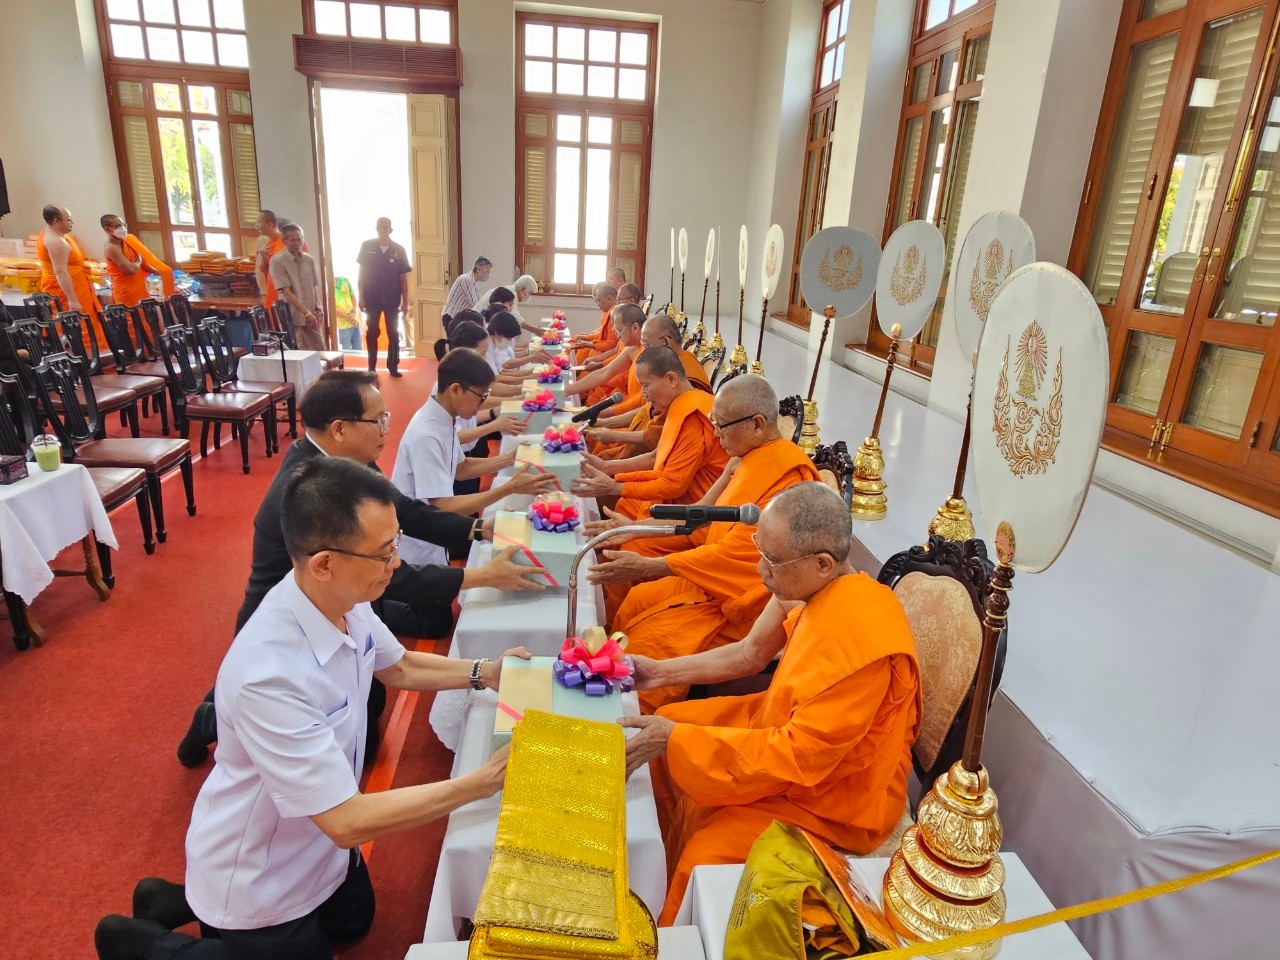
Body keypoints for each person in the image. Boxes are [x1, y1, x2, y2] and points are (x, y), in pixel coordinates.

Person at [96, 457, 527, 960]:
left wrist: (485, 672)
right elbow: (346, 820)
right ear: (324, 562)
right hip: (261, 868)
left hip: (320, 837)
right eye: (385, 552)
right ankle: (144, 944)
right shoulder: (270, 673)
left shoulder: (341, 597)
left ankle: (168, 899)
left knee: (353, 923)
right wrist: (483, 781)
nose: (396, 563)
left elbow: (400, 667)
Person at [175, 371, 545, 768]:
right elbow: (390, 575)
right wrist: (481, 575)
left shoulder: (350, 463)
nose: (387, 429)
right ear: (339, 428)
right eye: (378, 420)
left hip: (343, 604)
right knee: (332, 733)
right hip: (294, 621)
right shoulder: (304, 487)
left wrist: (479, 528)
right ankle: (212, 717)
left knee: (365, 728)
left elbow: (405, 512)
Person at [619, 482, 921, 924]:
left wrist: (684, 743)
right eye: (761, 550)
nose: (760, 571)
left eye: (772, 561)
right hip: (781, 727)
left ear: (821, 564)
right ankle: (647, 867)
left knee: (707, 849)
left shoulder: (863, 643)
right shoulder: (806, 583)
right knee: (668, 718)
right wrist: (662, 672)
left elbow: (801, 758)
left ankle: (670, 932)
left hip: (836, 794)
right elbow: (748, 654)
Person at [586, 375, 821, 702]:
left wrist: (652, 565)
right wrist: (634, 528)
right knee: (636, 604)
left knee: (649, 644)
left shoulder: (789, 483)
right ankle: (597, 678)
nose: (715, 433)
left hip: (743, 604)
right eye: (715, 422)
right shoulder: (744, 459)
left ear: (756, 424)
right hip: (709, 580)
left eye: (722, 425)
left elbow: (737, 561)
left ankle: (623, 727)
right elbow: (702, 514)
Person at [391, 347, 556, 566]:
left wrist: (509, 458)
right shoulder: (427, 435)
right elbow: (441, 507)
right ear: (456, 390)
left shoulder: (443, 418)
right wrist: (508, 488)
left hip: (435, 537)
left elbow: (462, 468)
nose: (483, 404)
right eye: (481, 396)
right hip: (418, 549)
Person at [571, 345, 726, 520]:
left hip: (698, 512)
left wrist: (614, 485)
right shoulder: (681, 404)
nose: (643, 394)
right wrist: (607, 467)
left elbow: (674, 485)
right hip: (674, 495)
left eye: (646, 386)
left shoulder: (693, 417)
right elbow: (657, 456)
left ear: (671, 379)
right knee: (624, 505)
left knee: (632, 539)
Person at [588, 314, 709, 460]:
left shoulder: (683, 377)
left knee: (602, 455)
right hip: (642, 435)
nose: (643, 351)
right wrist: (606, 423)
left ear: (666, 341)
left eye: (646, 345)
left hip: (658, 453)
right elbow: (648, 409)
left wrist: (613, 433)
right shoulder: (664, 369)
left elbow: (662, 436)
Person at [356, 217, 411, 377]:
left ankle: (393, 366)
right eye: (380, 227)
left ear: (391, 230)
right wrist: (361, 295)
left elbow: (403, 279)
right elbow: (361, 273)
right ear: (376, 228)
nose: (383, 229)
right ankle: (371, 367)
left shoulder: (399, 249)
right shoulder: (367, 246)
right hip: (371, 297)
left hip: (392, 299)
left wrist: (405, 302)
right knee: (372, 332)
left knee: (393, 333)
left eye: (386, 227)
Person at [561, 303, 643, 406]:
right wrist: (565, 391)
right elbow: (604, 373)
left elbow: (642, 403)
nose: (614, 331)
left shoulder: (649, 353)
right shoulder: (631, 349)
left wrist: (608, 416)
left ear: (635, 328)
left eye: (619, 329)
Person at [36, 204, 102, 326]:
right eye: (69, 219)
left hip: (78, 284)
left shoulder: (55, 234)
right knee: (78, 325)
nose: (72, 222)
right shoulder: (55, 241)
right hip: (67, 291)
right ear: (56, 221)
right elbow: (60, 272)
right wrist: (73, 300)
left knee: (89, 322)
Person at [270, 224, 326, 351]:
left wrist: (319, 308)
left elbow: (314, 287)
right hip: (293, 315)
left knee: (320, 350)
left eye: (300, 239)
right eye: (293, 240)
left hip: (311, 315)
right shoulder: (277, 261)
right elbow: (287, 292)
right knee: (298, 353)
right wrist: (306, 313)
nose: (297, 243)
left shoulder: (309, 260)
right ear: (284, 241)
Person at [100, 213, 175, 308]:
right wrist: (138, 260)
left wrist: (159, 271)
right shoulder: (111, 248)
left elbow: (144, 263)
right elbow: (130, 270)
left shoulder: (129, 239)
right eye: (118, 226)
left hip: (140, 287)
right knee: (134, 320)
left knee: (148, 318)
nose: (122, 228)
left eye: (123, 225)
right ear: (107, 229)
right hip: (126, 292)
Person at [569, 283, 619, 363]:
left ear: (609, 298)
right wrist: (587, 337)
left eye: (599, 300)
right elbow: (602, 333)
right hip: (602, 349)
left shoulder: (615, 315)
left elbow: (611, 345)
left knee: (585, 356)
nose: (598, 304)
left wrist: (589, 344)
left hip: (608, 354)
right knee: (581, 347)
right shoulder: (607, 312)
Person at [443, 255, 492, 322]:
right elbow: (475, 304)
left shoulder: (475, 285)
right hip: (451, 317)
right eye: (487, 269)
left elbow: (480, 302)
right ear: (478, 269)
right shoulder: (466, 279)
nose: (489, 272)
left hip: (459, 319)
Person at [255, 209, 285, 308]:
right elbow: (264, 270)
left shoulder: (285, 242)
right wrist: (264, 258)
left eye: (259, 222)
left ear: (270, 225)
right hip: (271, 292)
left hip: (284, 294)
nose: (257, 226)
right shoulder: (269, 244)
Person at [333, 276, 361, 351]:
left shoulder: (343, 280)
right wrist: (348, 317)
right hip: (343, 326)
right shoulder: (326, 287)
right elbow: (331, 308)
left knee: (359, 351)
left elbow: (353, 297)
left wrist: (354, 313)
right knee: (347, 353)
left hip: (355, 322)